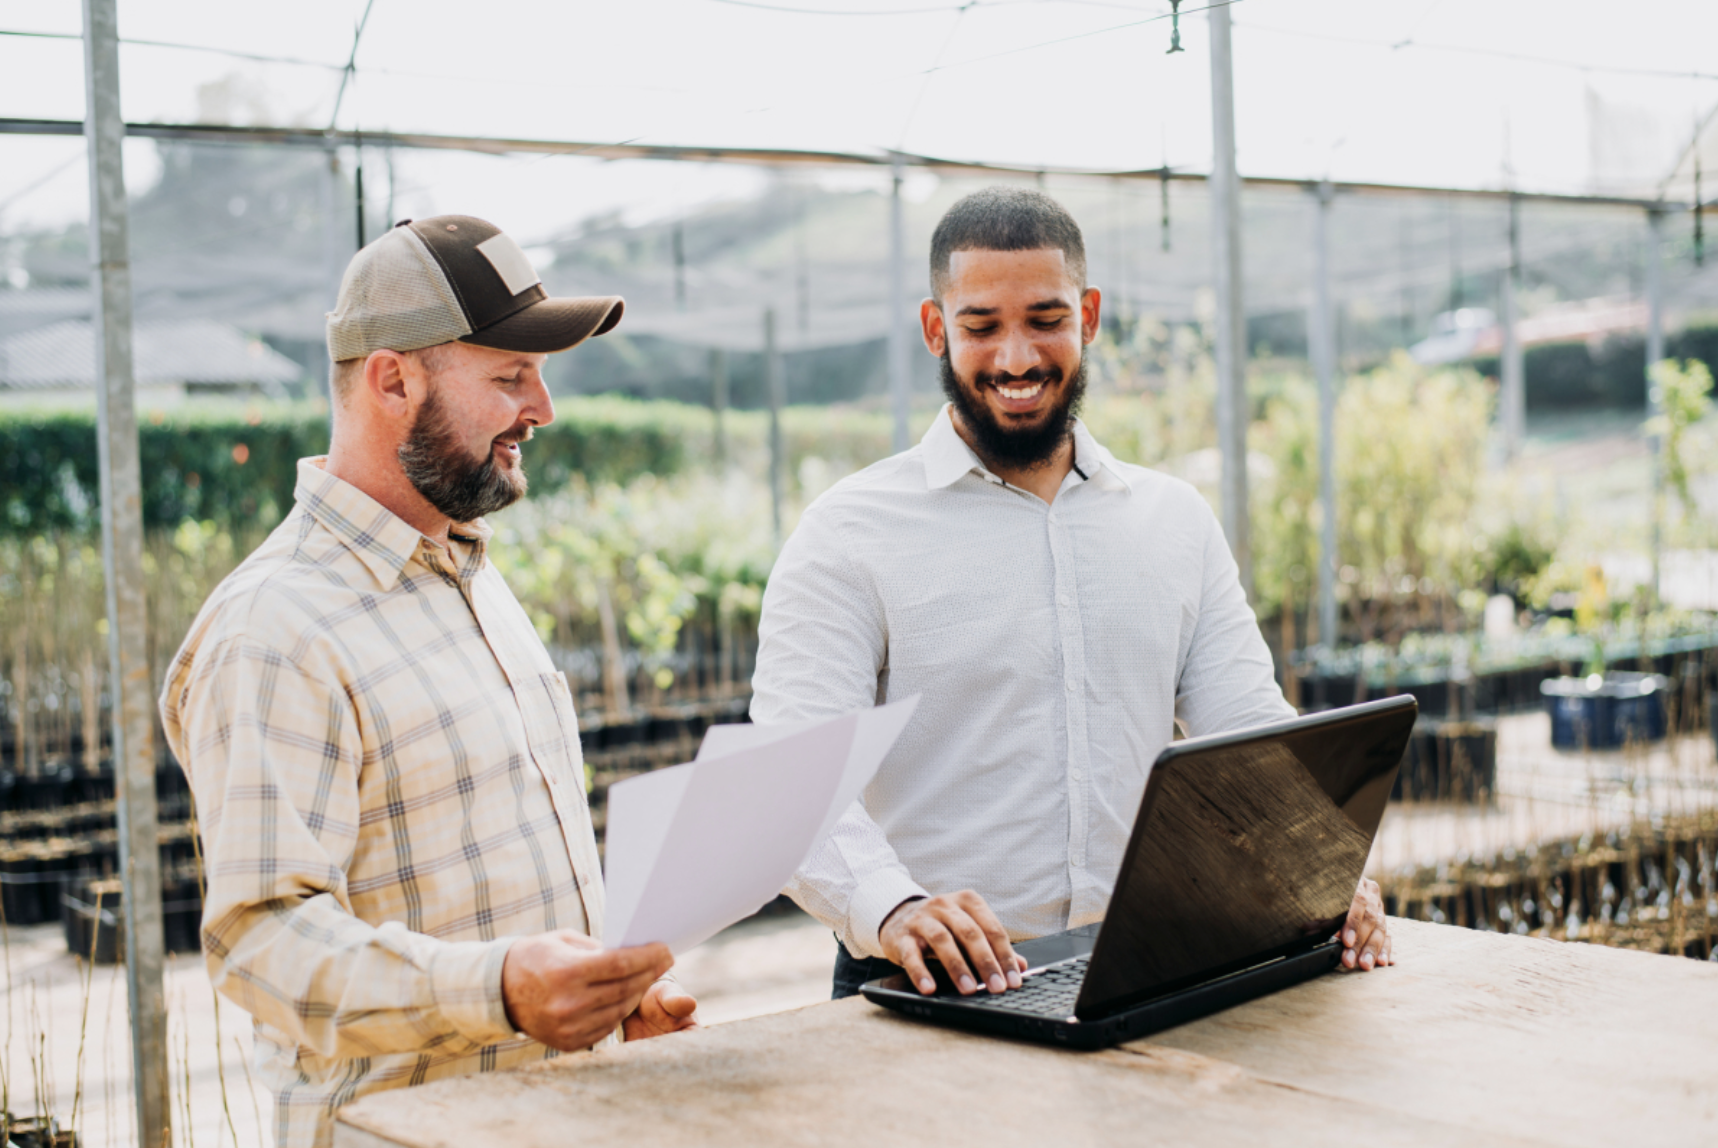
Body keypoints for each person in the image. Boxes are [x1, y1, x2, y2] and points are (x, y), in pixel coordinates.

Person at [751, 187, 1393, 1001]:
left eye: (1045, 320)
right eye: (981, 326)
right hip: (927, 984)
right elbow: (789, 782)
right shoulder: (850, 534)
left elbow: (1250, 736)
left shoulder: (1172, 522)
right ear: (934, 329)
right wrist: (895, 909)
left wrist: (1323, 871)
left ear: (1088, 316)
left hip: (1134, 969)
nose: (1016, 358)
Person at [160, 215, 698, 1148]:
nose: (543, 408)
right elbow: (262, 944)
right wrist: (500, 993)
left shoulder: (466, 572)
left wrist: (596, 1005)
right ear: (392, 379)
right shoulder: (277, 628)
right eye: (507, 376)